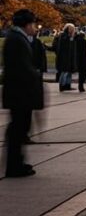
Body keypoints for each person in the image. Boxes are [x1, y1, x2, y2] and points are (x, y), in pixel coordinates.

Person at [3, 9, 41, 177]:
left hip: (17, 91)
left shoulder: (15, 38)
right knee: (18, 128)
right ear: (27, 24)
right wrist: (36, 76)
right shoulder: (17, 40)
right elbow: (22, 67)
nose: (36, 28)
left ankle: (16, 162)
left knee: (17, 128)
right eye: (34, 24)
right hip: (20, 92)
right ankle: (14, 165)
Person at [56, 23, 76, 91]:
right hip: (64, 57)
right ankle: (62, 85)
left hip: (68, 57)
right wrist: (70, 38)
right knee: (64, 72)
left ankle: (67, 85)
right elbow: (64, 46)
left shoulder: (67, 36)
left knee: (68, 72)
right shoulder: (64, 36)